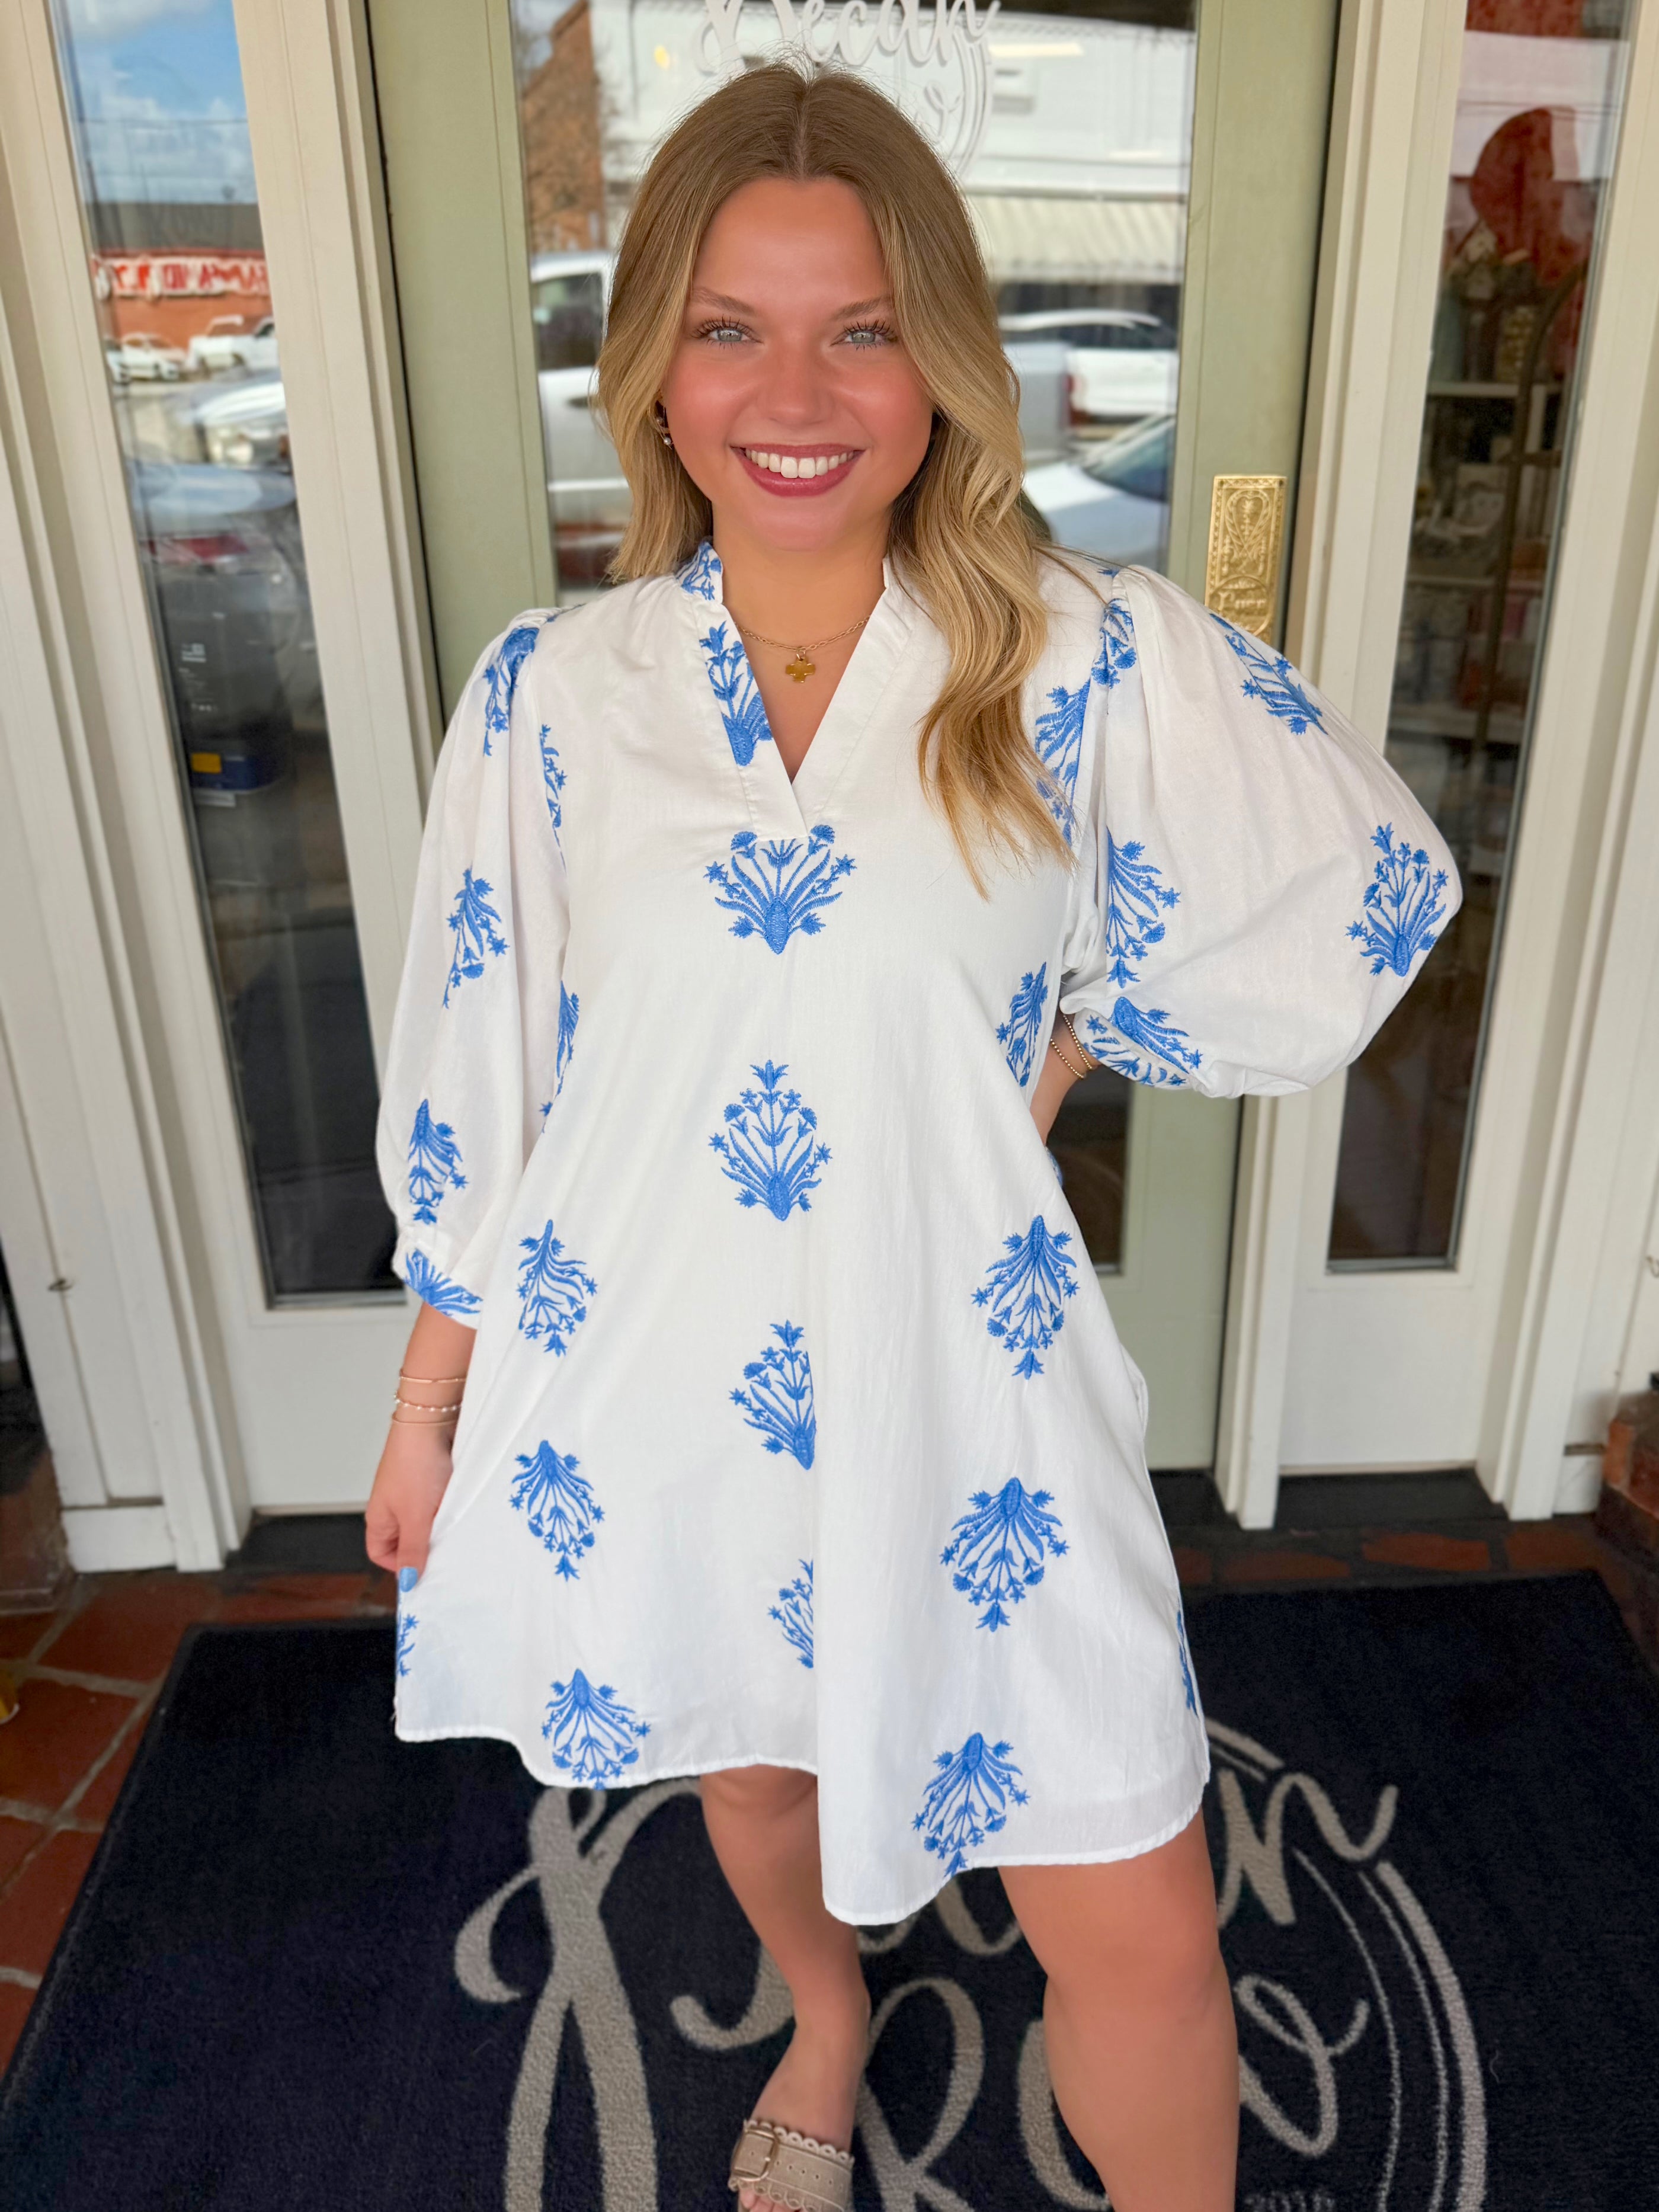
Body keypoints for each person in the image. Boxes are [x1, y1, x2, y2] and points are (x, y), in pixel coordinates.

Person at [365, 60, 1458, 2212]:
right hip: (667, 1365)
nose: (798, 388)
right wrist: (430, 1404)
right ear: (653, 366)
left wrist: (1047, 1061)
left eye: (861, 326)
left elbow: (1351, 884)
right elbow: (483, 1063)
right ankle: (831, 2007)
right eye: (730, 325)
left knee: (1133, 1900)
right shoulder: (553, 694)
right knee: (757, 1782)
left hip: (975, 1384)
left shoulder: (1076, 661)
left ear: (942, 362)